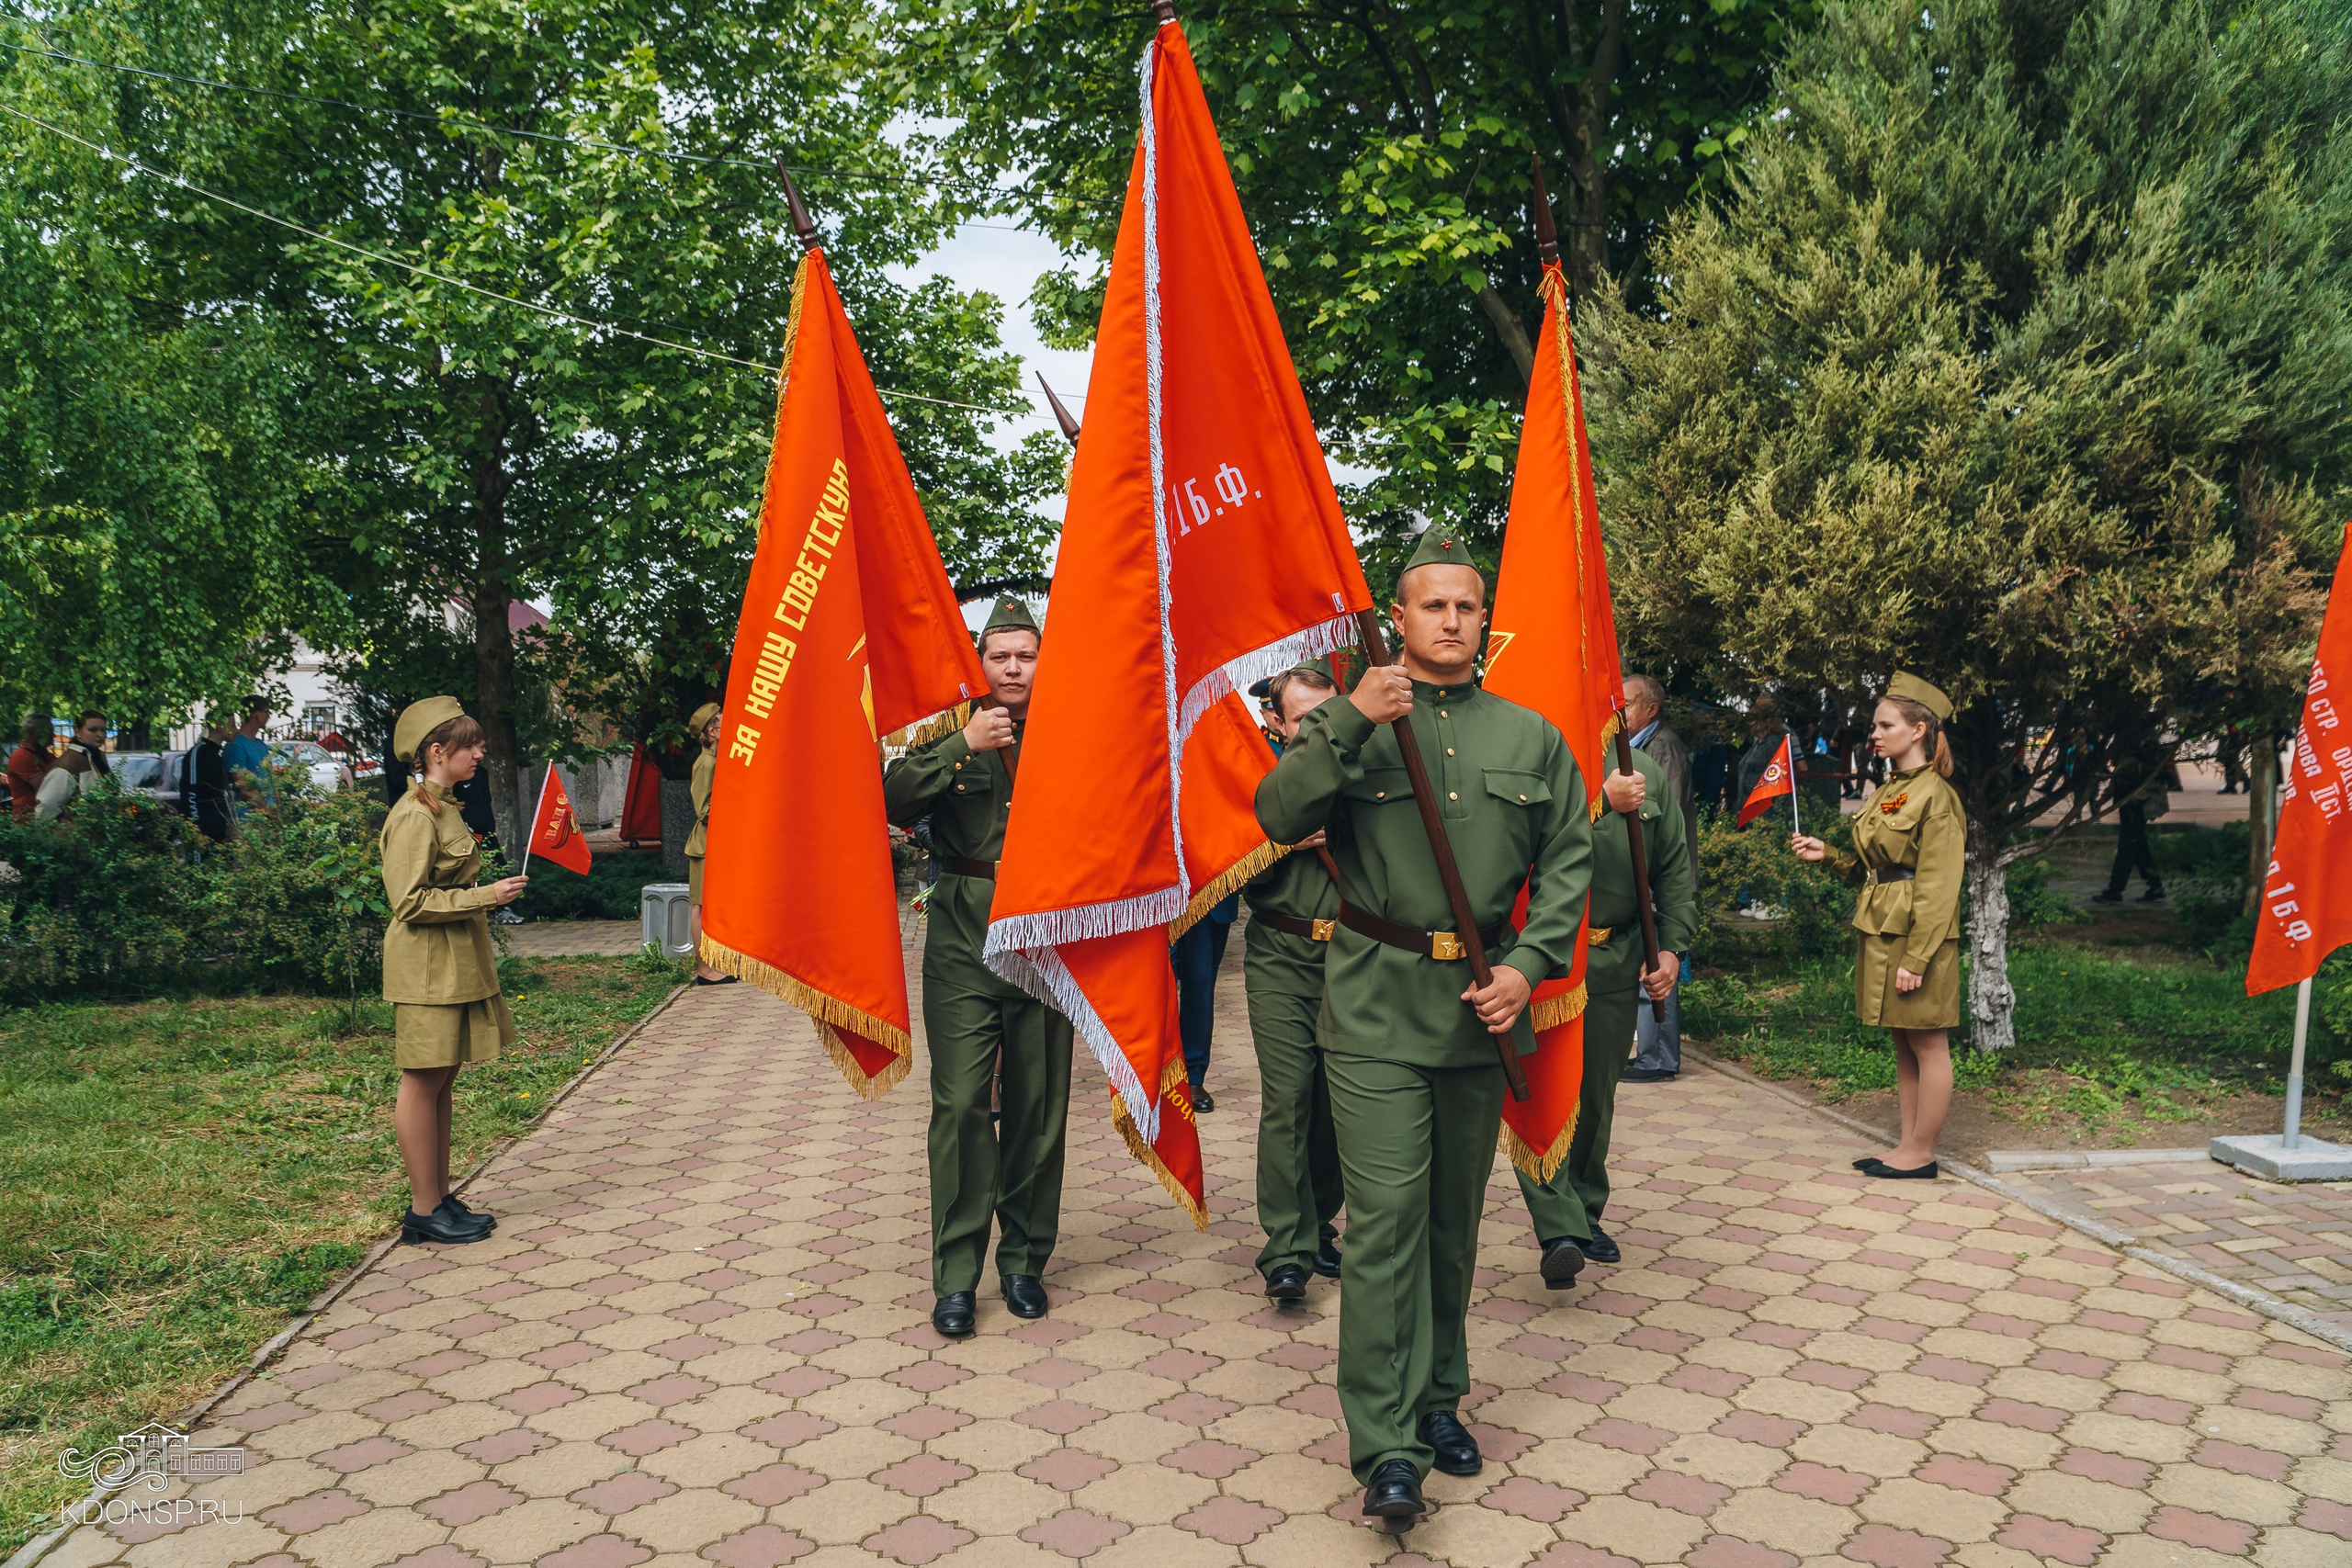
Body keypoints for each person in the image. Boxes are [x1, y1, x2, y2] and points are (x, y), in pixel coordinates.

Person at [1256, 530, 1591, 1529]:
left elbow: (1568, 861)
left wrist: (1527, 969)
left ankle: (1442, 1397)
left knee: (1450, 1225)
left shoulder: (1527, 737)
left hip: (1480, 1011)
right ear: (1395, 621)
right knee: (1385, 1227)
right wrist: (1351, 719)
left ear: (1482, 619)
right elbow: (1277, 814)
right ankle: (1389, 1447)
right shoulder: (1351, 722)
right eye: (1432, 606)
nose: (1452, 621)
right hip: (1370, 1008)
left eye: (1466, 606)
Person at [883, 597, 1073, 1339]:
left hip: (1046, 935)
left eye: (1027, 654)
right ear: (980, 663)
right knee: (961, 1104)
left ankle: (1024, 1260)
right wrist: (964, 742)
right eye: (1001, 656)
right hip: (964, 934)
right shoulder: (946, 726)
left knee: (1039, 1104)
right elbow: (892, 797)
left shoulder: (1071, 727)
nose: (1015, 667)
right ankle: (955, 1274)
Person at [1515, 717, 1697, 1281]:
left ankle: (1585, 1211)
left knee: (1595, 1096)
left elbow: (1673, 869)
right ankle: (1558, 1224)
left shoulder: (1641, 775)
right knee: (1542, 1092)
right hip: (1541, 962)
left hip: (1614, 960)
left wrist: (1669, 949)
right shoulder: (1530, 761)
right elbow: (1518, 853)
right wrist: (1595, 802)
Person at [1793, 671, 1963, 1179]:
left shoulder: (1936, 795)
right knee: (1903, 1039)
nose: (1874, 733)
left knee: (1928, 1042)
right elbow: (1880, 870)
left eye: (1885, 724)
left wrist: (1917, 957)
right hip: (1884, 925)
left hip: (1917, 935)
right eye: (1874, 725)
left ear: (1917, 730)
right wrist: (1830, 856)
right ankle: (1906, 1144)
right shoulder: (1892, 789)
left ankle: (1923, 1152)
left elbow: (1937, 884)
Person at [380, 697, 529, 1245]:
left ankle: (439, 1195)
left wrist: (483, 896)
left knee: (442, 1079)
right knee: (423, 1079)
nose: (481, 753)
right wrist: (483, 895)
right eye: (473, 745)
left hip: (450, 962)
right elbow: (408, 901)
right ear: (439, 752)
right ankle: (423, 1212)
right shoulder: (416, 814)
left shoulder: (442, 807)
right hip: (425, 968)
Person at [1241, 658, 1345, 1302]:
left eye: (1327, 715)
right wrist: (1282, 841)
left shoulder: (1362, 775)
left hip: (1356, 958)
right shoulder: (1252, 779)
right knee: (1288, 1099)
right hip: (1280, 953)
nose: (1317, 728)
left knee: (1337, 1103)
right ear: (1275, 721)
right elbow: (1215, 870)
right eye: (1304, 718)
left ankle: (1318, 1222)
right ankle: (1286, 1247)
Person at [1619, 673, 1696, 1084]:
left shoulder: (1661, 747)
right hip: (1646, 879)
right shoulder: (1636, 746)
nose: (1621, 710)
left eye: (1629, 703)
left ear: (1651, 708)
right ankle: (1650, 1051)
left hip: (1659, 878)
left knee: (1661, 966)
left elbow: (1663, 819)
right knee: (1648, 967)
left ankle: (1661, 1057)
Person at [1170, 892, 1237, 1110]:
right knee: (1153, 986)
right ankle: (1147, 1075)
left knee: (1200, 986)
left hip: (1210, 888)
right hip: (1156, 889)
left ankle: (1193, 1076)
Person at [683, 702, 733, 985]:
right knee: (700, 907)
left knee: (711, 906)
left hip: (715, 844)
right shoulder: (706, 764)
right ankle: (705, 970)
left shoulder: (715, 761)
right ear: (712, 731)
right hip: (704, 845)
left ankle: (716, 965)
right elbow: (704, 810)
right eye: (724, 725)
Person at [2095, 749, 2170, 905]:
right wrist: (2103, 798)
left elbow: (2152, 777)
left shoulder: (2143, 748)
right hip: (2131, 804)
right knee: (2138, 847)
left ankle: (2116, 890)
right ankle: (2155, 887)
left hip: (2136, 806)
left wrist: (2136, 798)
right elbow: (2119, 776)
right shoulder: (2129, 745)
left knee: (2128, 847)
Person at [35, 711, 112, 820]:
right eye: (93, 730)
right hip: (75, 835)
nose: (100, 735)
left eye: (103, 730)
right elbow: (47, 808)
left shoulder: (97, 757)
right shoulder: (68, 763)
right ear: (78, 732)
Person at [179, 713, 238, 841]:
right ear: (219, 726)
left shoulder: (215, 755)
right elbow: (190, 792)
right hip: (203, 831)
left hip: (217, 829)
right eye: (233, 725)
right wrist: (196, 829)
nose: (236, 730)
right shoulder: (199, 753)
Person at [223, 697, 273, 813]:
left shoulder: (261, 745)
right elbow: (245, 789)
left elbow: (271, 781)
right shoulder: (236, 745)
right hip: (247, 820)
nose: (268, 717)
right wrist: (269, 813)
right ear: (257, 714)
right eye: (267, 712)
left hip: (267, 819)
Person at [7, 714, 53, 822]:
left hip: (44, 819)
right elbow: (47, 788)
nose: (53, 735)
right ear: (32, 733)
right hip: (27, 823)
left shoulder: (47, 755)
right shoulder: (21, 756)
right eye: (48, 731)